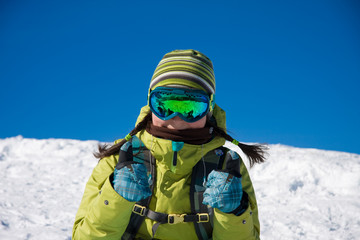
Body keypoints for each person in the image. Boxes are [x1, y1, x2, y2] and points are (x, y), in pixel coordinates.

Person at [72, 49, 267, 240]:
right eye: (165, 105)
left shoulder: (228, 167)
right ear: (150, 103)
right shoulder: (120, 159)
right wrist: (114, 198)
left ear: (209, 108)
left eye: (190, 107)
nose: (176, 118)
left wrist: (234, 212)